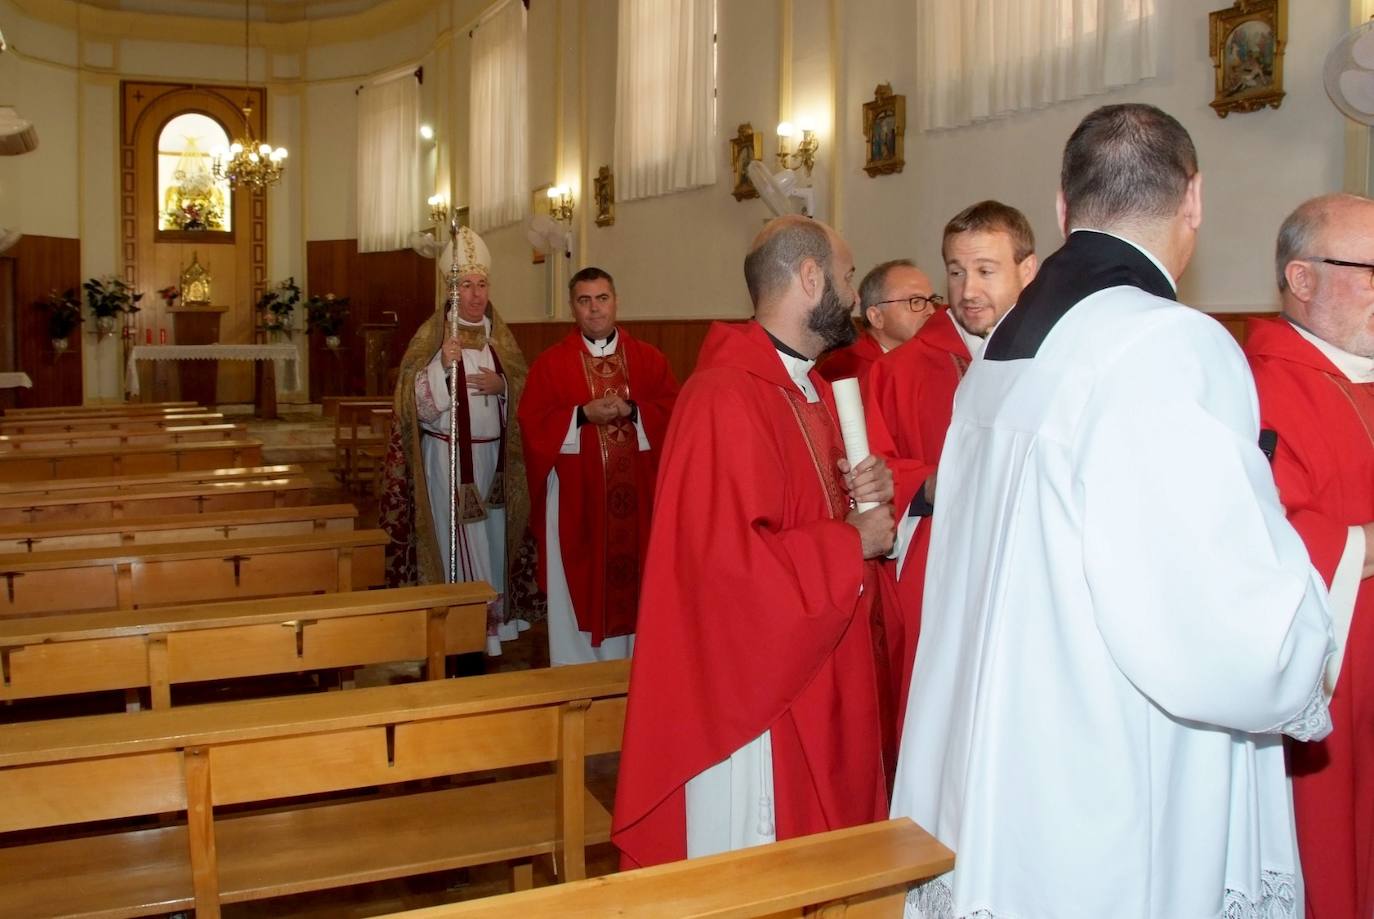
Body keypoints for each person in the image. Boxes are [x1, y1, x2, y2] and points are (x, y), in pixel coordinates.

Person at [891, 104, 1333, 918]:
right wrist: (1308, 630)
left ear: (1062, 208)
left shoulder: (997, 356)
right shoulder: (1168, 344)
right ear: (1193, 199)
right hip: (1107, 779)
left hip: (997, 768)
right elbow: (1224, 630)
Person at [613, 215, 896, 869]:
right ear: (809, 277)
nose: (854, 297)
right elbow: (727, 577)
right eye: (849, 277)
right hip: (756, 702)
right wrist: (848, 541)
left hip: (816, 670)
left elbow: (808, 514)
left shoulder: (812, 390)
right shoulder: (724, 398)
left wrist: (864, 498)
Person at [1245, 193, 1374, 919]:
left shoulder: (1359, 373)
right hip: (1329, 679)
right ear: (1301, 278)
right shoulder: (1260, 385)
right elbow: (1270, 537)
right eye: (1371, 270)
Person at [864, 201, 1037, 723]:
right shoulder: (899, 372)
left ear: (1026, 271)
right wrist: (930, 484)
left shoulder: (1053, 361)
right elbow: (869, 472)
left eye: (986, 271)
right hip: (935, 573)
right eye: (956, 272)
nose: (967, 290)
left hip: (1028, 577)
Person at [379, 226, 539, 658]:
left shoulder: (499, 340)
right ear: (452, 290)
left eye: (481, 284)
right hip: (449, 457)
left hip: (495, 463)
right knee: (461, 541)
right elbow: (412, 404)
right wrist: (441, 369)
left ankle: (495, 625)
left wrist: (503, 385)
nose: (475, 294)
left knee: (491, 539)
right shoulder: (434, 338)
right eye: (466, 285)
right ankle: (462, 625)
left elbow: (527, 388)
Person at [517, 267, 679, 666]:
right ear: (573, 307)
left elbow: (674, 413)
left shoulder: (649, 359)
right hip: (578, 503)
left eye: (602, 298)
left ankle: (638, 672)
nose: (594, 309)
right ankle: (576, 674)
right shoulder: (551, 364)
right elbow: (532, 422)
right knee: (577, 583)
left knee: (640, 582)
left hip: (637, 502)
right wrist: (581, 416)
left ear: (616, 301)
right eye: (585, 301)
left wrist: (636, 411)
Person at [818, 259, 938, 386]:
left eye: (932, 300)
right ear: (876, 317)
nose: (932, 311)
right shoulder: (847, 369)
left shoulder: (936, 356)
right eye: (916, 301)